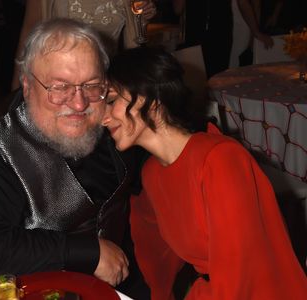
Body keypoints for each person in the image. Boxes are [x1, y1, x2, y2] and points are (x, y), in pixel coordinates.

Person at [0, 18, 149, 299]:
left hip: (118, 280)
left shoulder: (112, 121)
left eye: (91, 85)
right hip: (24, 288)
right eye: (60, 87)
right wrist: (88, 251)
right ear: (26, 85)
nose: (79, 103)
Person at [101, 46, 307, 299]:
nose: (104, 117)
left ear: (149, 99)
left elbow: (242, 273)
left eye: (111, 101)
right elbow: (153, 256)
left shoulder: (219, 160)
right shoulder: (153, 174)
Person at [10, 0, 157, 91]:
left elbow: (134, 43)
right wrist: (16, 89)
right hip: (59, 83)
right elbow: (28, 35)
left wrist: (142, 19)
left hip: (103, 83)